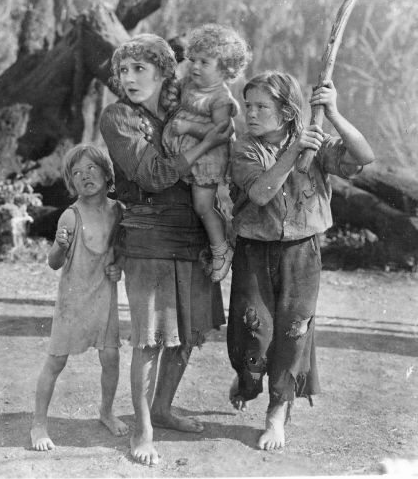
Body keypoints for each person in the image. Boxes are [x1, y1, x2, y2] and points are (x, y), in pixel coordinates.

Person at [99, 33, 232, 466]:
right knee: (150, 339)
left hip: (193, 234)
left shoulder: (183, 109)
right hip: (149, 238)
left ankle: (162, 407)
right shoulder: (117, 117)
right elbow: (154, 175)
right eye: (124, 70)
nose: (130, 78)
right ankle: (142, 428)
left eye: (140, 69)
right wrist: (208, 142)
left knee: (187, 333)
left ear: (162, 72)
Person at [227, 71, 374, 451]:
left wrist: (334, 113)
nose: (252, 114)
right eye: (249, 106)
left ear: (288, 111)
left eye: (262, 107)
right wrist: (294, 153)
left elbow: (364, 156)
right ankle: (247, 379)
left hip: (301, 252)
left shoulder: (315, 142)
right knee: (253, 331)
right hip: (254, 251)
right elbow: (260, 193)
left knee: (294, 332)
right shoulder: (245, 148)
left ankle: (277, 413)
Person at [30, 144, 128, 451]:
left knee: (111, 357)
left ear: (106, 172)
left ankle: (106, 412)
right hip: (73, 301)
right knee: (56, 361)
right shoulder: (71, 217)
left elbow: (121, 250)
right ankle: (38, 425)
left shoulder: (119, 211)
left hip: (103, 297)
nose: (85, 176)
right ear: (71, 183)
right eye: (77, 173)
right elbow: (53, 262)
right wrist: (59, 246)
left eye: (92, 168)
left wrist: (118, 267)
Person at [162, 23, 251, 282]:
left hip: (207, 158)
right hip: (186, 156)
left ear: (225, 69)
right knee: (190, 203)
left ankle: (221, 249)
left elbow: (219, 133)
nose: (196, 66)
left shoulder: (221, 99)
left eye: (205, 62)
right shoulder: (190, 83)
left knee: (203, 205)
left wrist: (188, 126)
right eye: (194, 60)